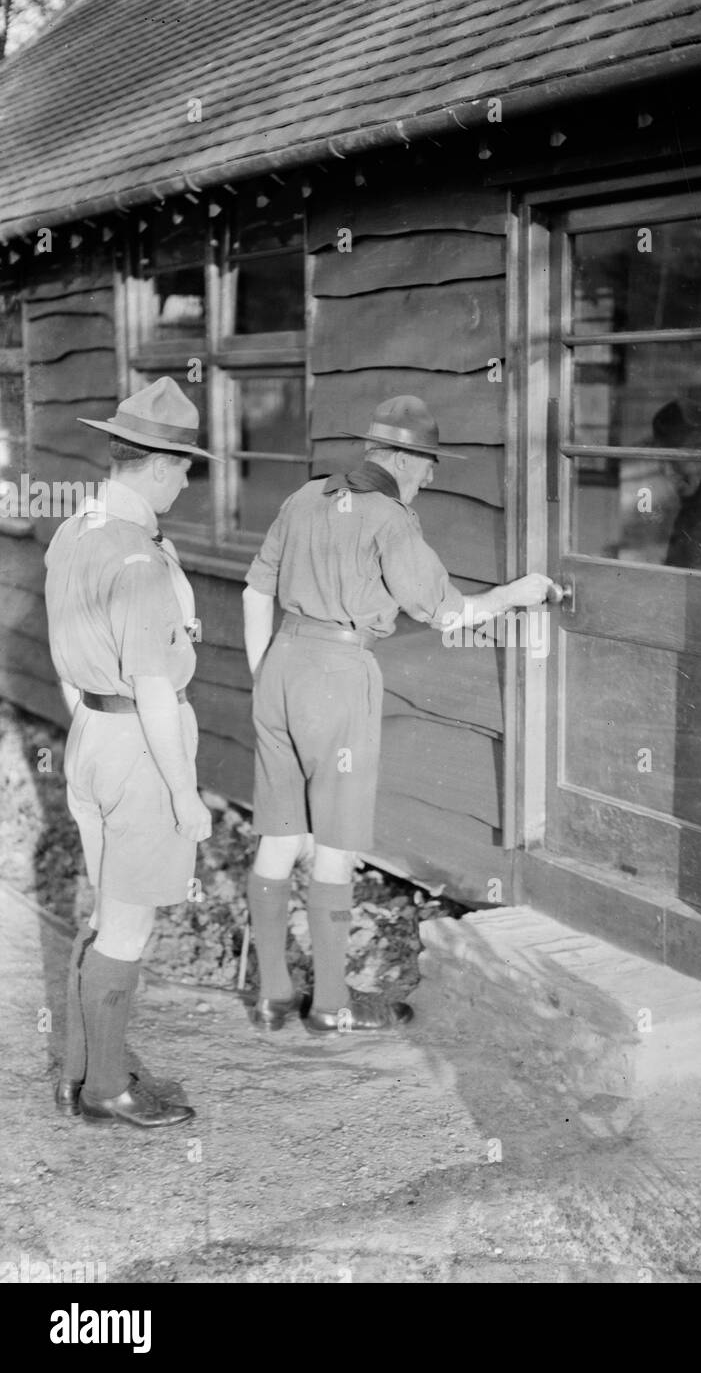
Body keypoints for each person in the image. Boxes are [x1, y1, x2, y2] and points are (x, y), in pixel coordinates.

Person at [242, 395, 551, 1034]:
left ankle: (273, 996)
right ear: (403, 459)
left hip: (279, 664)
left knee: (278, 836)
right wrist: (519, 594)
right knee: (333, 845)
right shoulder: (390, 519)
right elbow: (446, 613)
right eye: (429, 462)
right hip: (339, 672)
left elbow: (255, 591)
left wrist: (265, 679)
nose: (433, 476)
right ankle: (330, 1005)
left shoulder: (305, 498)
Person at [45, 378, 216, 1128]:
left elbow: (66, 651)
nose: (186, 479)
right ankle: (105, 1088)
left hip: (90, 732)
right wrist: (185, 796)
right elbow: (152, 686)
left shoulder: (77, 527)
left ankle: (87, 1064)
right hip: (143, 746)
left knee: (108, 904)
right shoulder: (140, 560)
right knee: (128, 923)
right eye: (184, 466)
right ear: (155, 464)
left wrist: (88, 724)